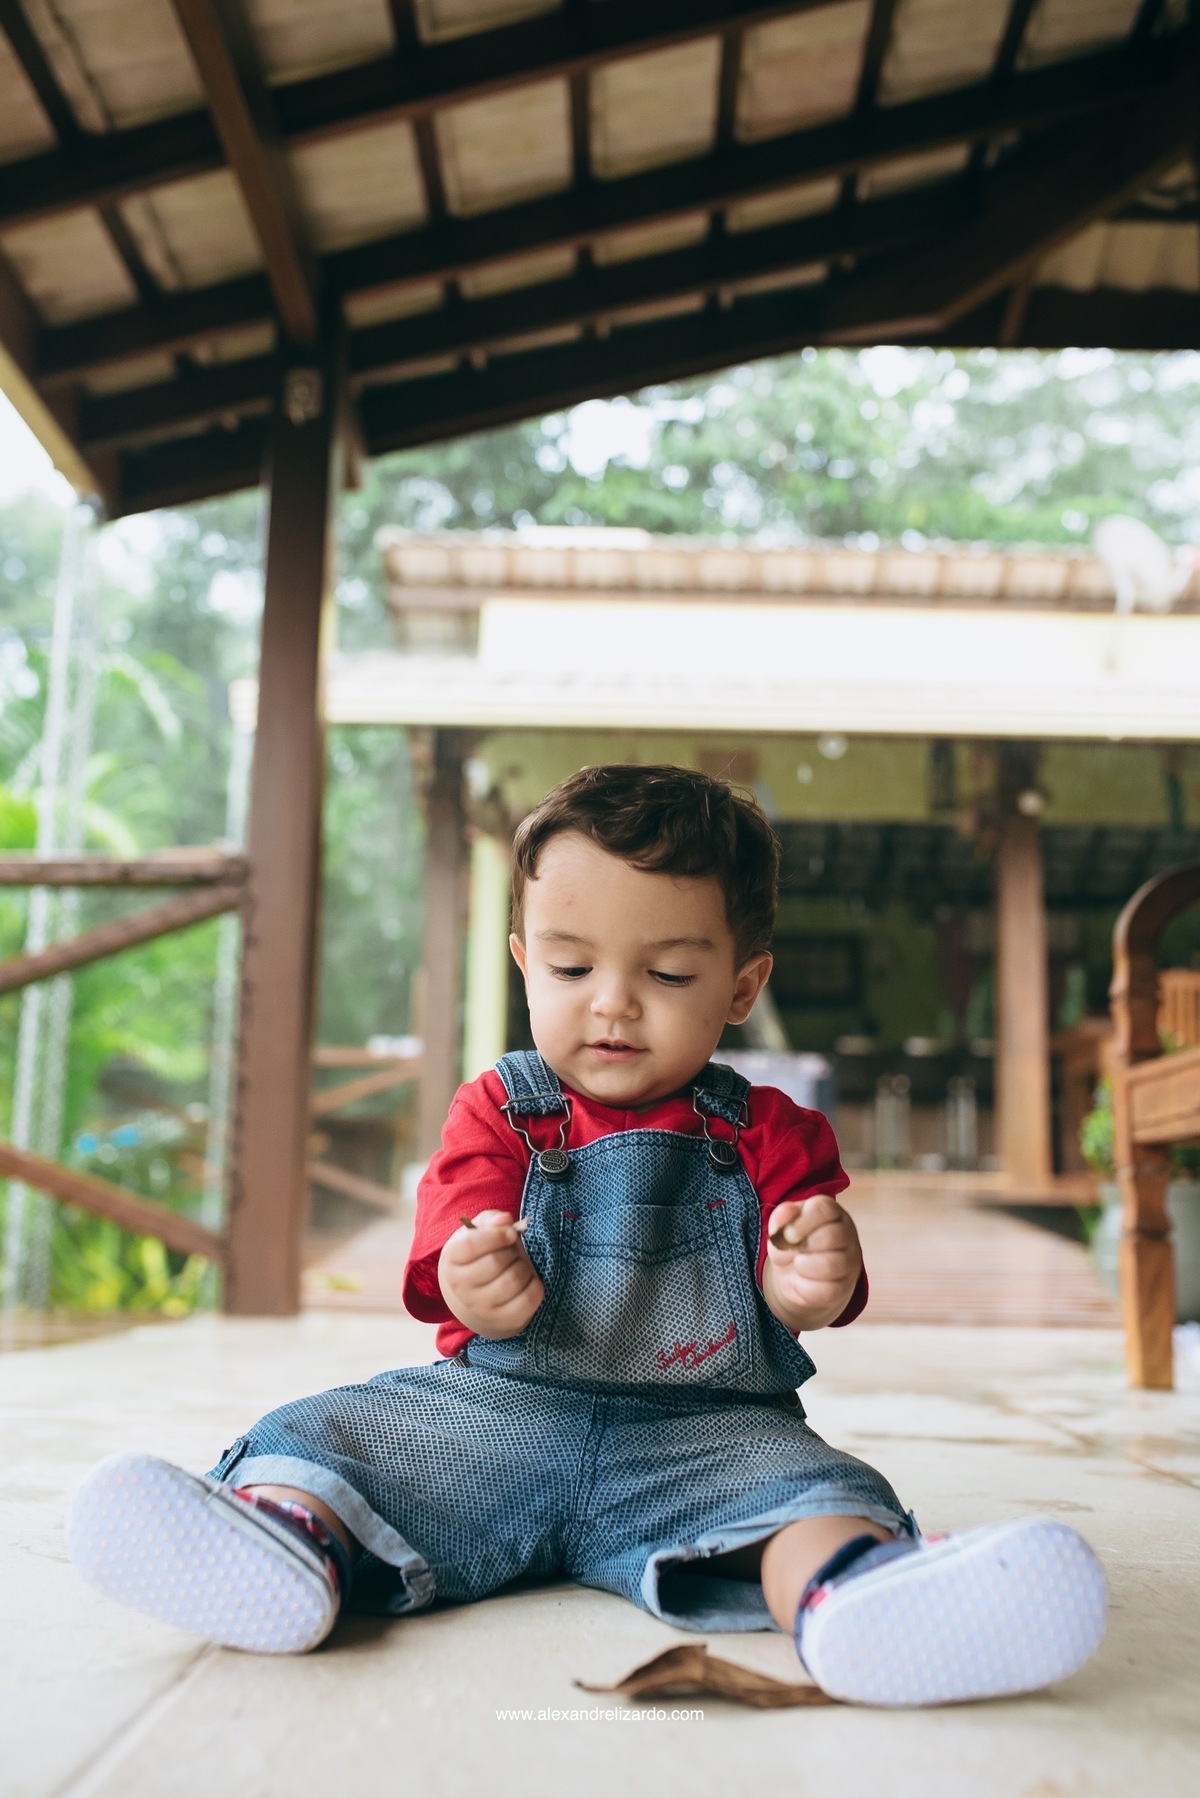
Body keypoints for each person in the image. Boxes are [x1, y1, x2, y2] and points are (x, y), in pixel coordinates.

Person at [68, 765, 1107, 1705]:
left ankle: (857, 1597)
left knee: (820, 1490)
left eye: (666, 975)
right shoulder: (500, 1108)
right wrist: (479, 1278)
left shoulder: (768, 1132)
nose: (612, 1006)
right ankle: (289, 1542)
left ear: (742, 985)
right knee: (332, 1432)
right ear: (525, 961)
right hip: (498, 1409)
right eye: (570, 969)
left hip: (705, 1432)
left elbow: (812, 1284)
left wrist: (811, 1276)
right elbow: (451, 1256)